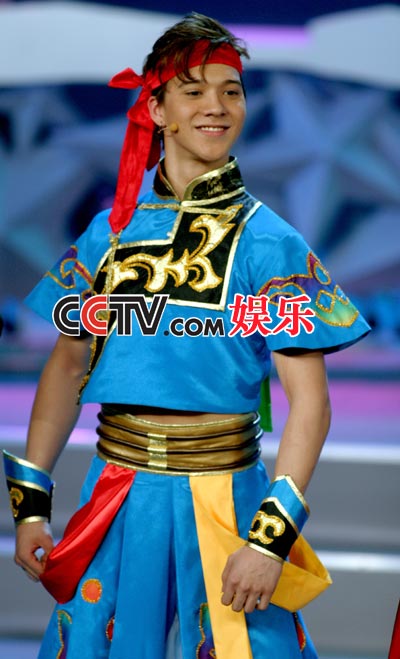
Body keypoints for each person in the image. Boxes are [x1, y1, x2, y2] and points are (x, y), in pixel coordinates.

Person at [3, 12, 370, 659]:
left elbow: (310, 402)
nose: (216, 106)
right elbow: (66, 367)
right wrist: (32, 506)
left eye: (232, 91)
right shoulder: (109, 234)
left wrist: (269, 542)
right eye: (195, 90)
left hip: (230, 497)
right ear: (157, 109)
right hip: (117, 492)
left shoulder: (269, 243)